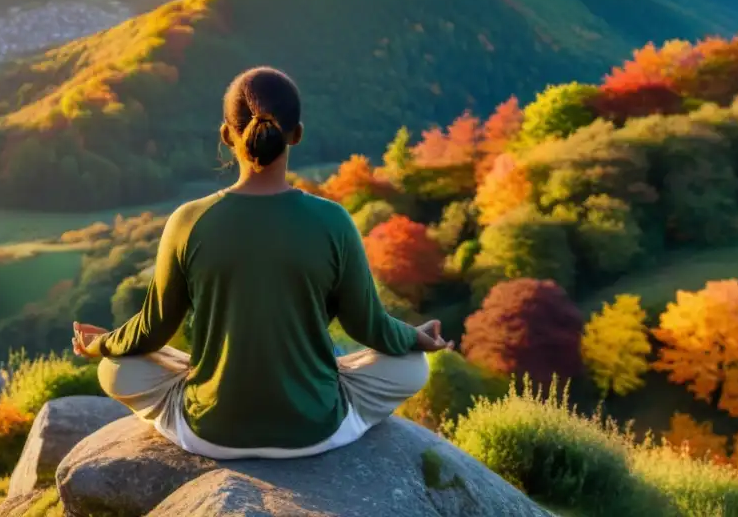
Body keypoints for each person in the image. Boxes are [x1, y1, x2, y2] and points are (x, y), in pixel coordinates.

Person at [72, 66, 453, 460]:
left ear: (226, 135)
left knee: (114, 369)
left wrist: (102, 344)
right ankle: (317, 393)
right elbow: (367, 326)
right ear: (298, 134)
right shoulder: (333, 221)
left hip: (212, 432)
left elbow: (152, 331)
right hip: (313, 430)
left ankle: (214, 382)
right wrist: (414, 337)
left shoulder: (187, 221)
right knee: (413, 366)